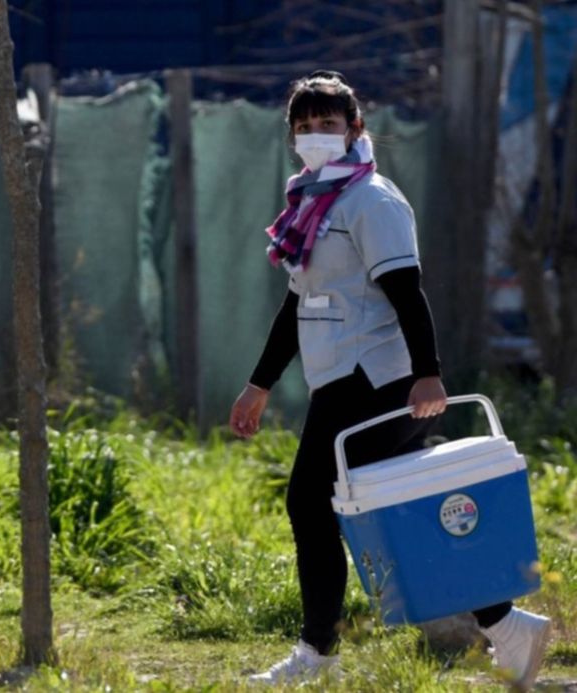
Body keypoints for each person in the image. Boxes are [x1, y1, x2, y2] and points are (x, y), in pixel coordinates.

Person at [230, 71, 551, 689]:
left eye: (328, 124)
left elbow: (407, 293)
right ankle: (505, 623)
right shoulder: (314, 203)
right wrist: (259, 385)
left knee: (310, 503)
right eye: (304, 126)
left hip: (375, 377)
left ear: (355, 128)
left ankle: (318, 655)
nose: (316, 135)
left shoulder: (371, 201)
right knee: (399, 504)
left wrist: (429, 375)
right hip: (341, 377)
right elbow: (298, 306)